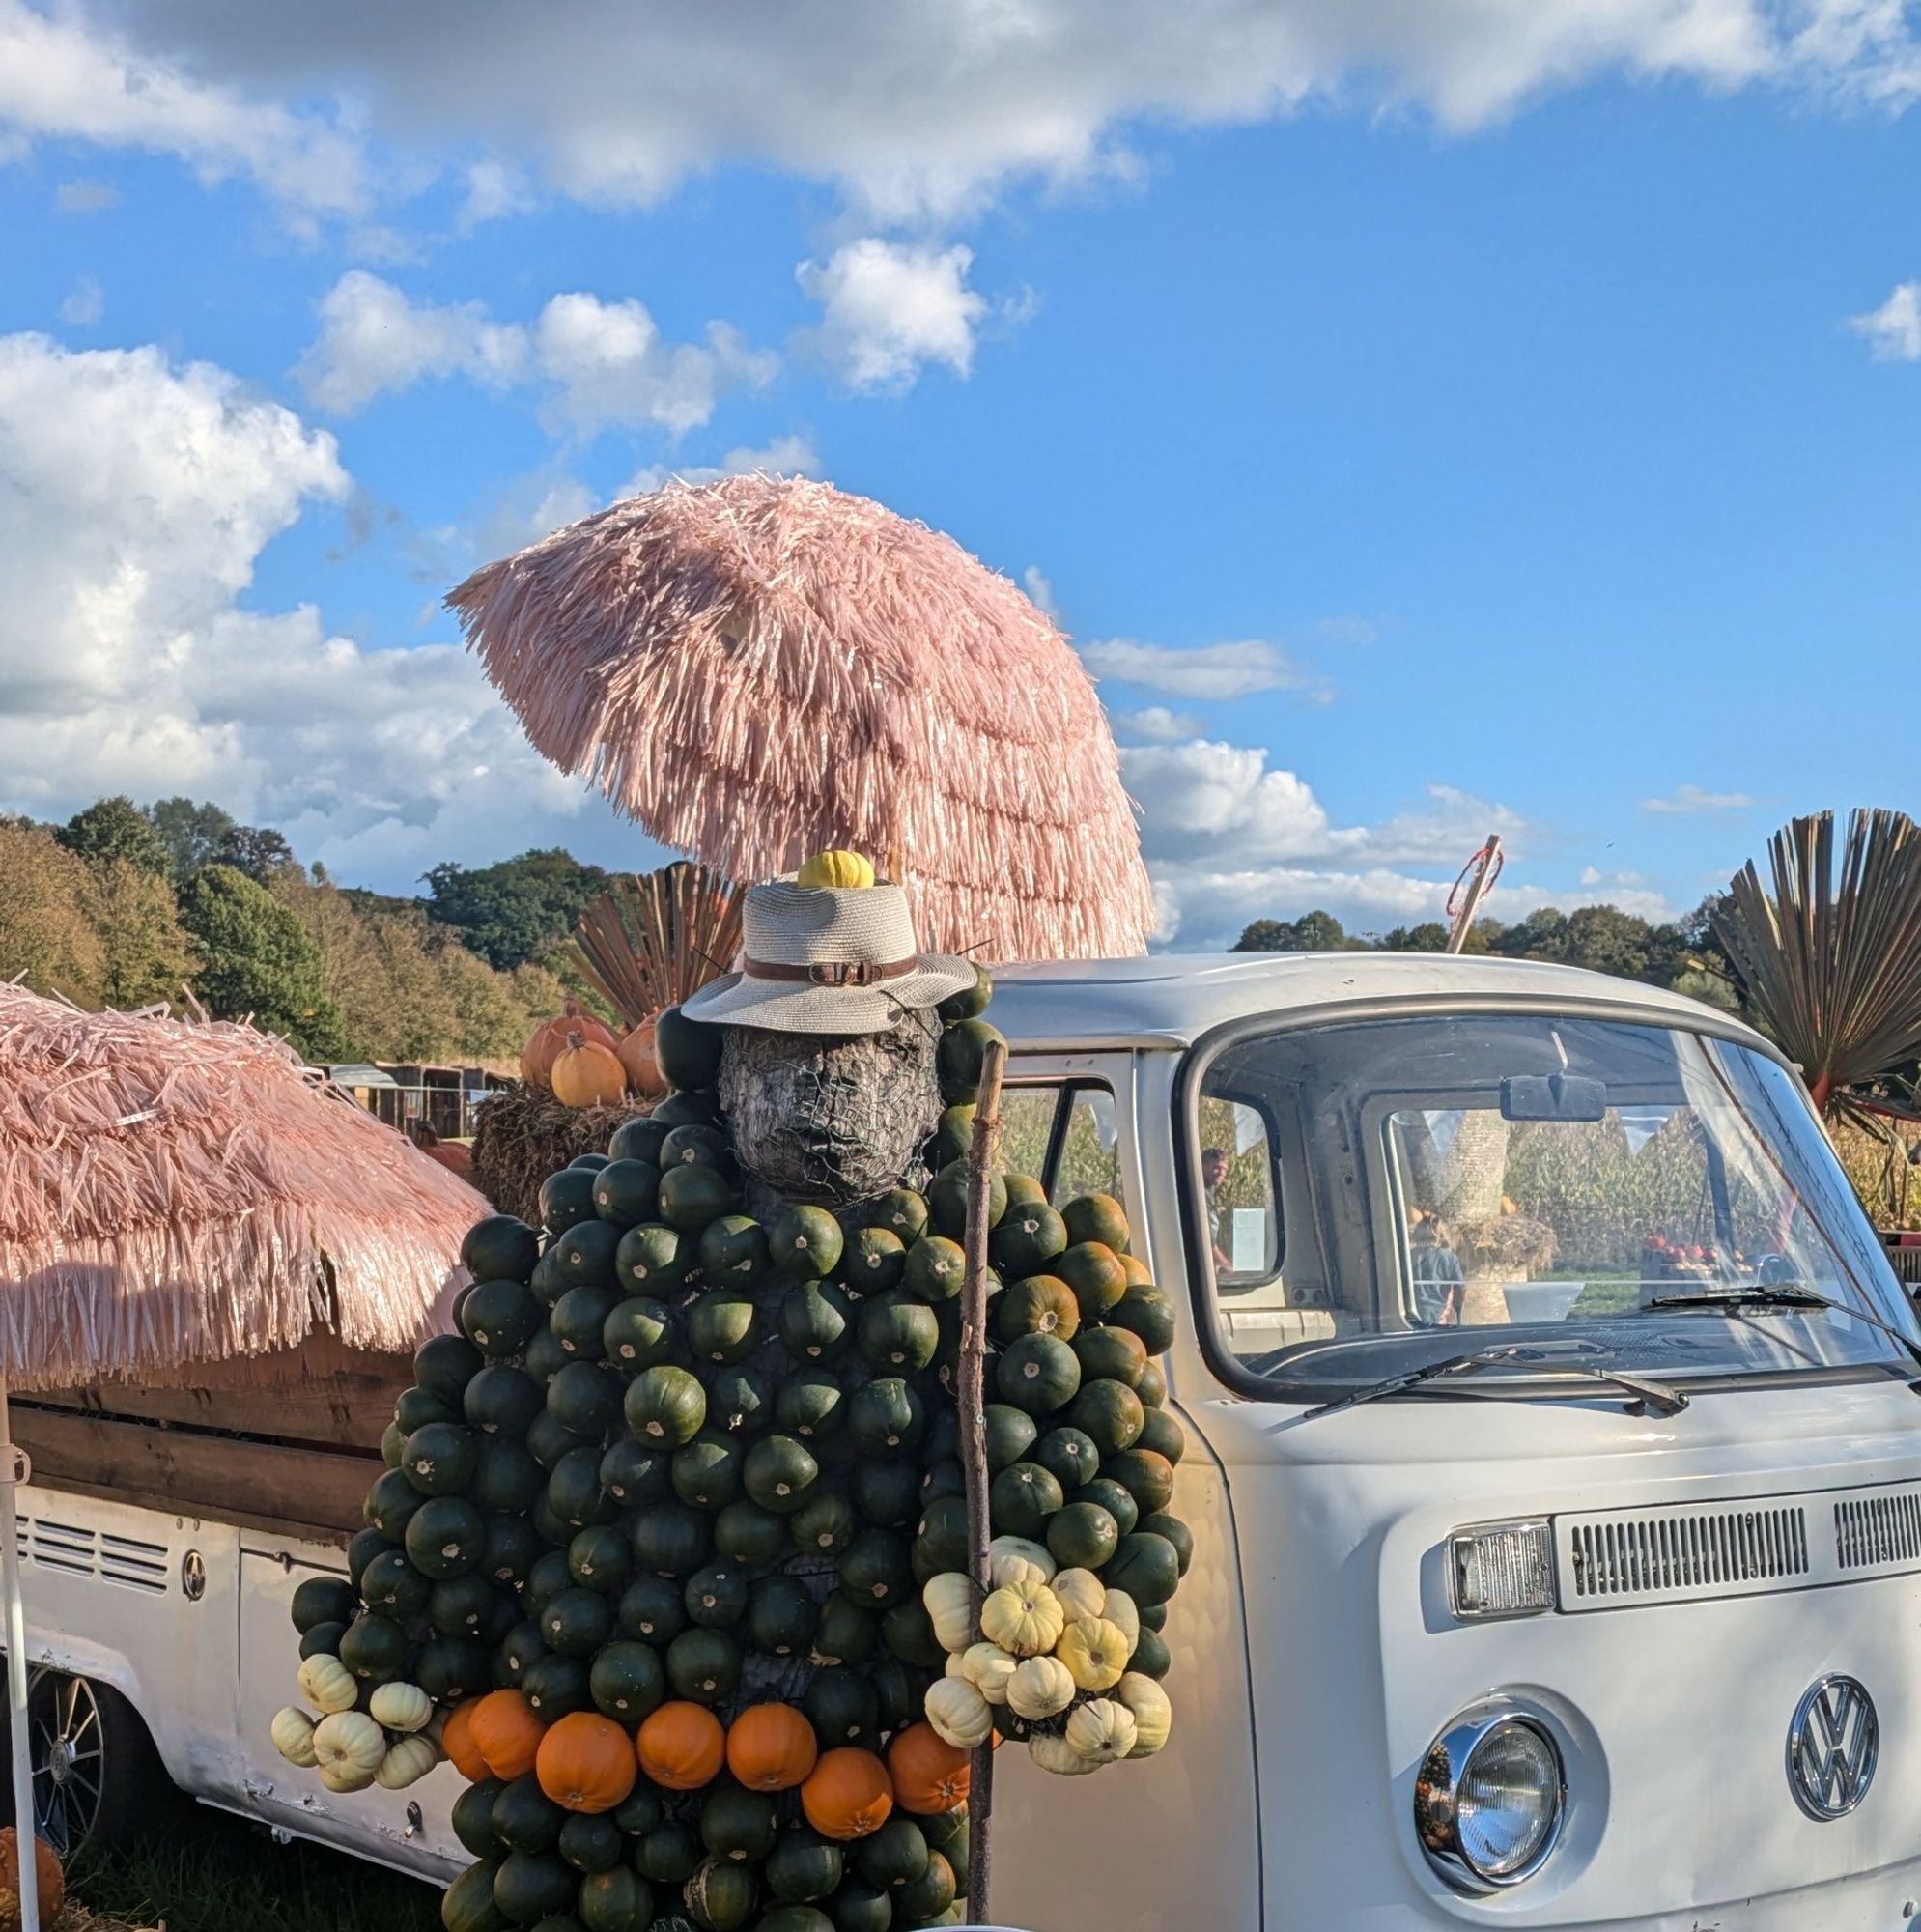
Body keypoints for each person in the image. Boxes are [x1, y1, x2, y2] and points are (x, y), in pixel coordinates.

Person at [1410, 1211, 1465, 1325]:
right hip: (1438, 1319)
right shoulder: (1449, 1258)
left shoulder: (1409, 1256)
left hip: (1412, 1318)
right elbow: (1459, 1290)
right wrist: (1459, 1319)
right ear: (1443, 1234)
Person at [1202, 1146, 1231, 1274]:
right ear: (1203, 1165)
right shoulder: (1198, 1189)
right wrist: (1221, 1260)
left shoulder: (1210, 1188)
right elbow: (1204, 1232)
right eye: (1217, 1168)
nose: (1221, 1173)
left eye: (1224, 1169)